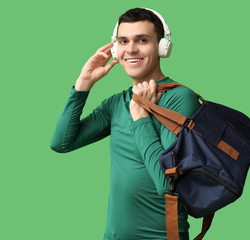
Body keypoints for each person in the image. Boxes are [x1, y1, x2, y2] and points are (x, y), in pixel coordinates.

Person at [51, 8, 200, 240]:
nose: (131, 49)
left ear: (162, 47)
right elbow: (61, 143)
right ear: (115, 49)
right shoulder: (116, 103)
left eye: (142, 40)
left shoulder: (180, 98)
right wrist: (83, 84)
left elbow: (167, 184)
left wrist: (141, 117)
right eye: (123, 41)